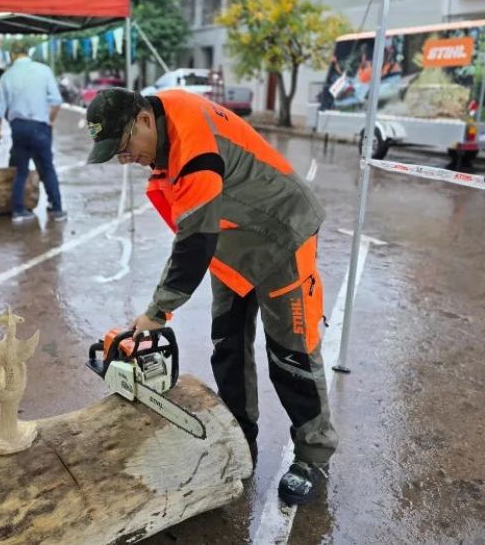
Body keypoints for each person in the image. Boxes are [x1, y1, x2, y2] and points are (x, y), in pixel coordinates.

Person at [85, 88, 338, 506]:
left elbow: (195, 240)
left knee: (290, 353)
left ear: (144, 121)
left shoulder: (190, 140)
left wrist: (157, 312)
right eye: (118, 155)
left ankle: (313, 455)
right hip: (234, 241)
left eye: (126, 147)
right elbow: (196, 232)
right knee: (228, 343)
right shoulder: (163, 131)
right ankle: (241, 436)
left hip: (281, 232)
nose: (126, 159)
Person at [0, 43, 67, 223]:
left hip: (18, 127)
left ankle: (18, 211)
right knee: (47, 168)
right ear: (27, 53)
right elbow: (57, 100)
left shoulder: (7, 76)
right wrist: (50, 121)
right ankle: (56, 209)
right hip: (40, 126)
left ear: (12, 55)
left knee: (21, 170)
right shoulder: (43, 70)